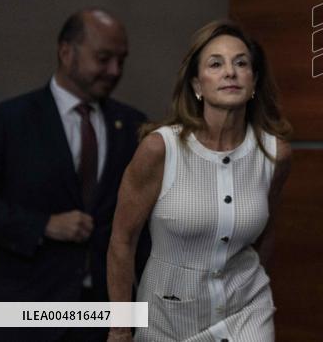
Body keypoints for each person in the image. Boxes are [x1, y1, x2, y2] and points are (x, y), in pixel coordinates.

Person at [106, 20, 292, 342]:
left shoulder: (275, 153)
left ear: (253, 81)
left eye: (241, 63)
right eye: (216, 64)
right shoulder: (159, 149)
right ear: (197, 84)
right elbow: (122, 240)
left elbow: (267, 232)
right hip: (166, 318)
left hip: (246, 312)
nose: (230, 72)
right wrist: (121, 327)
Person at [0, 8, 147, 342]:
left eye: (122, 60)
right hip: (23, 312)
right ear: (66, 52)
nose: (114, 71)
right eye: (103, 58)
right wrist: (43, 224)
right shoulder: (7, 122)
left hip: (104, 317)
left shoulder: (134, 127)